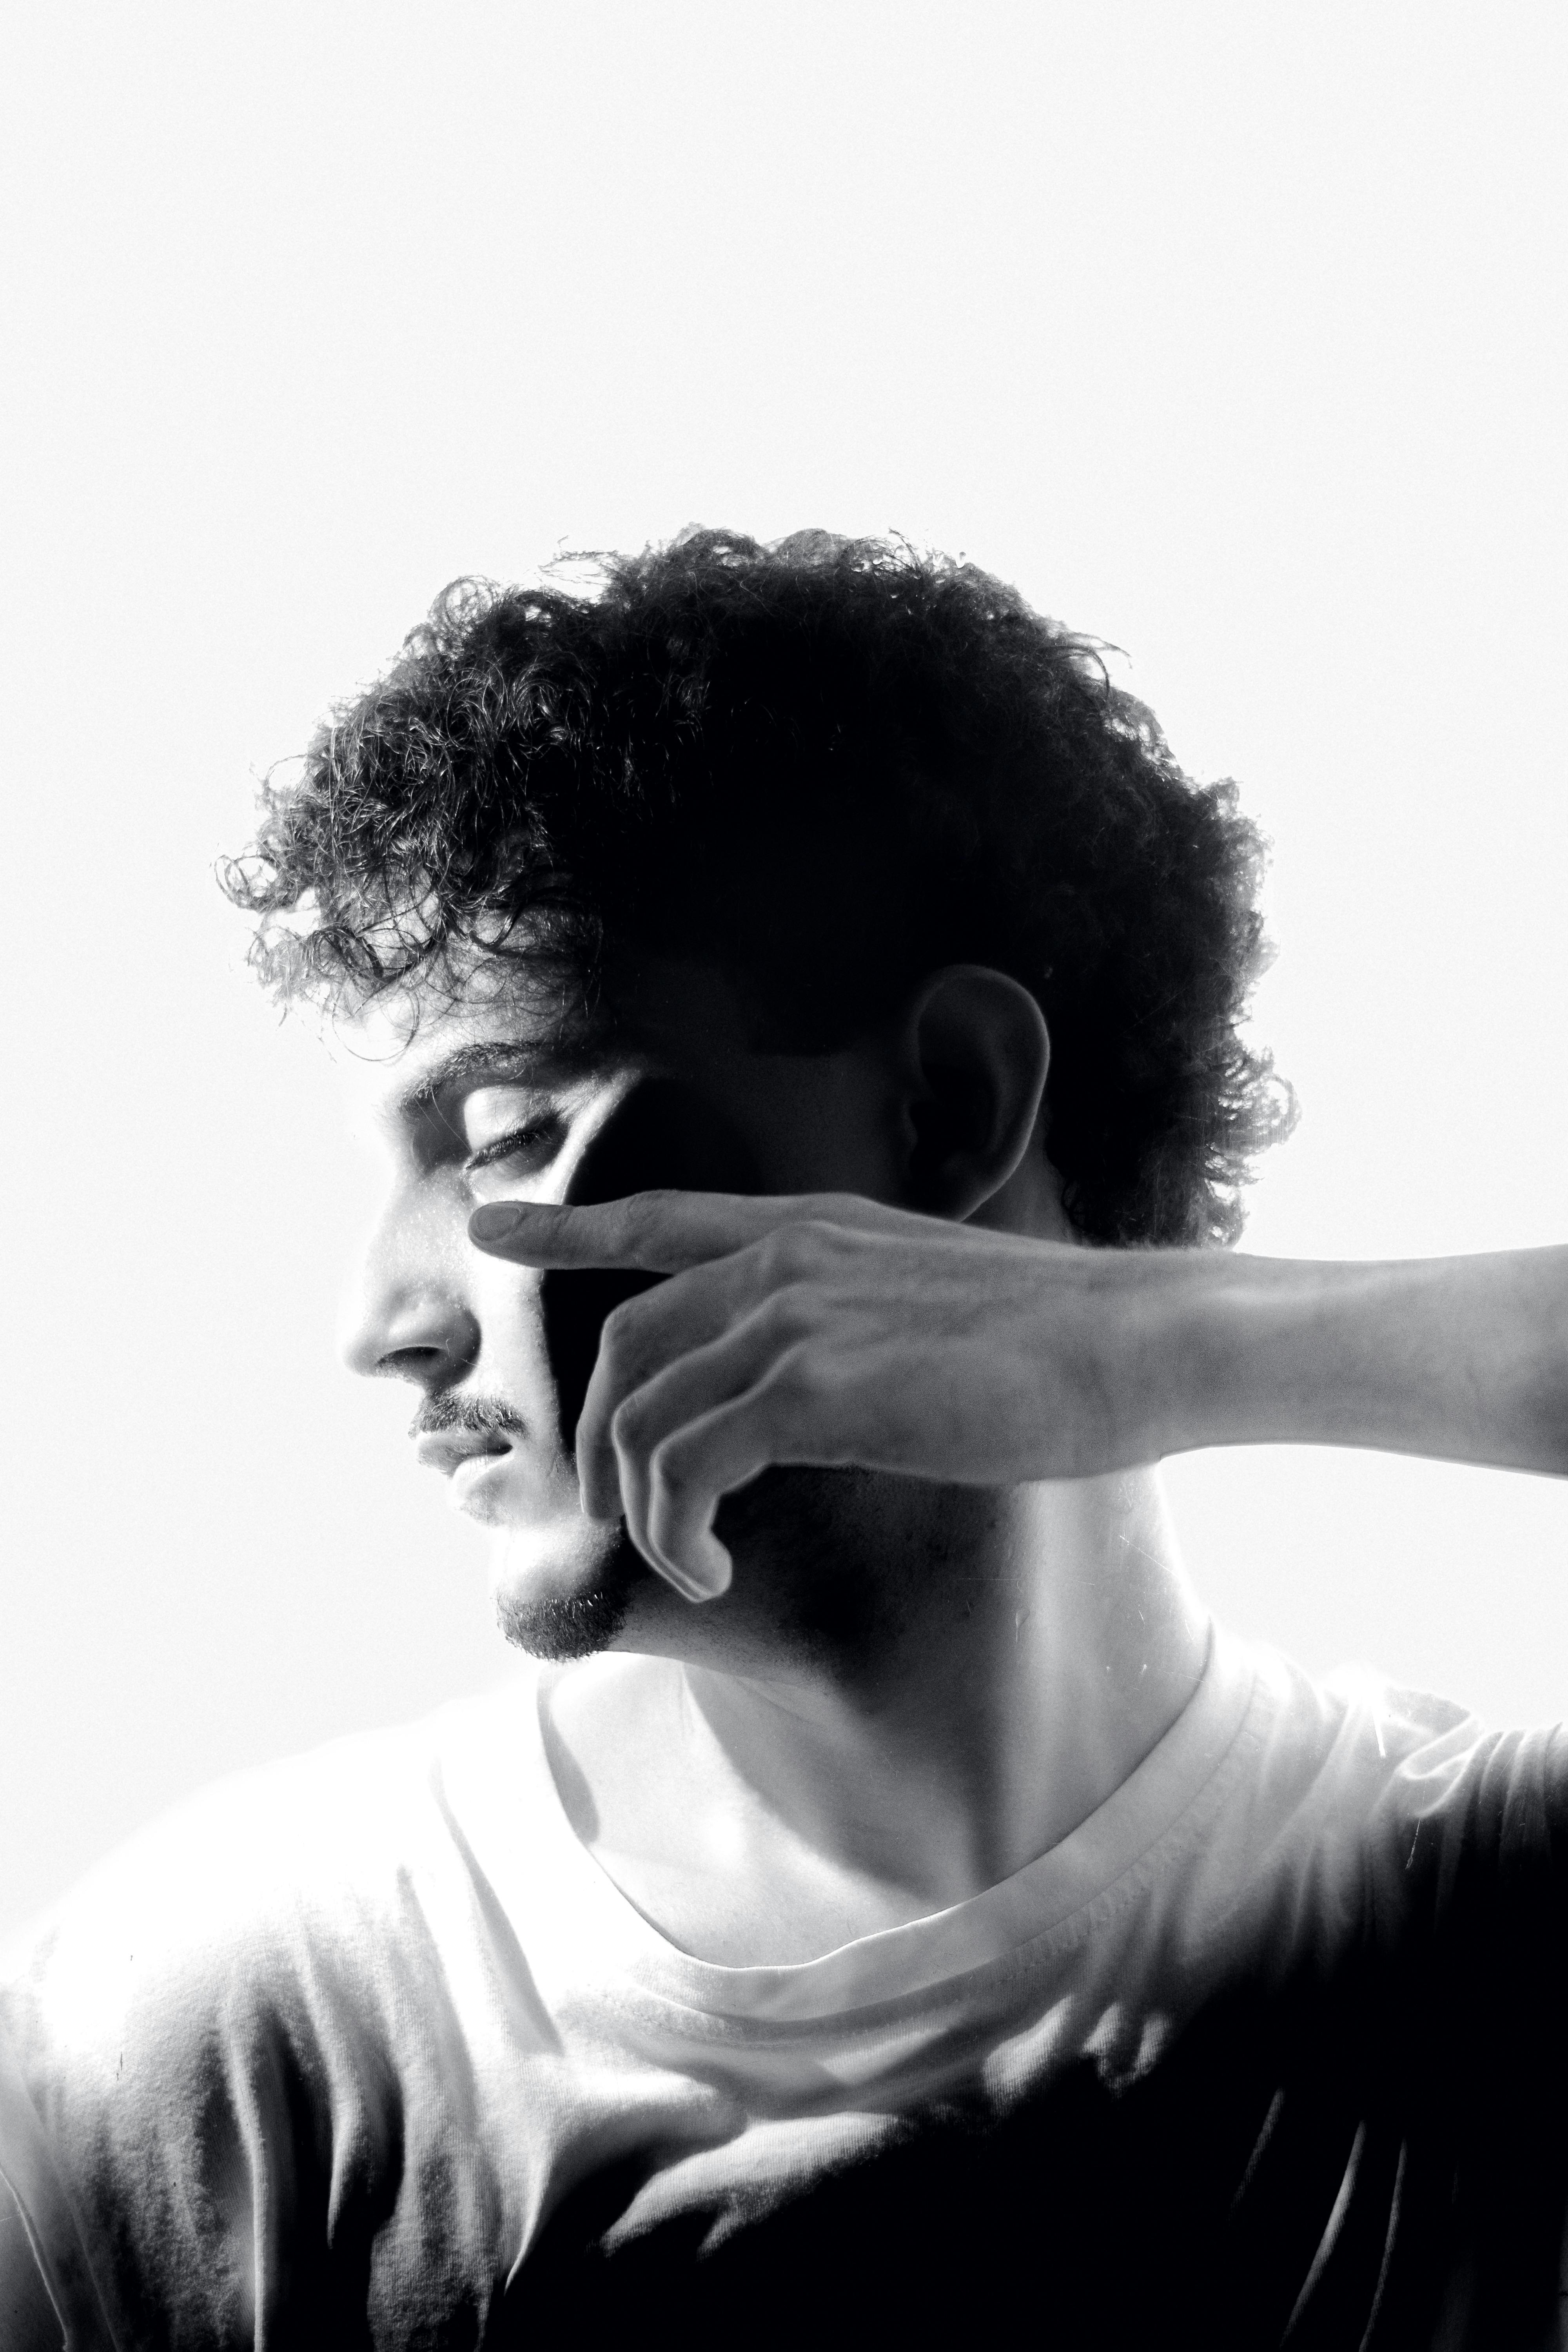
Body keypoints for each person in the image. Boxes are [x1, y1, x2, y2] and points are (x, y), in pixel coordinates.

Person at [2, 530, 1564, 2351]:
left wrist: (1157, 1337)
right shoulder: (226, 2030)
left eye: (507, 1132)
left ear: (950, 1104)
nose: (386, 1322)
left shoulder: (1487, 1932)